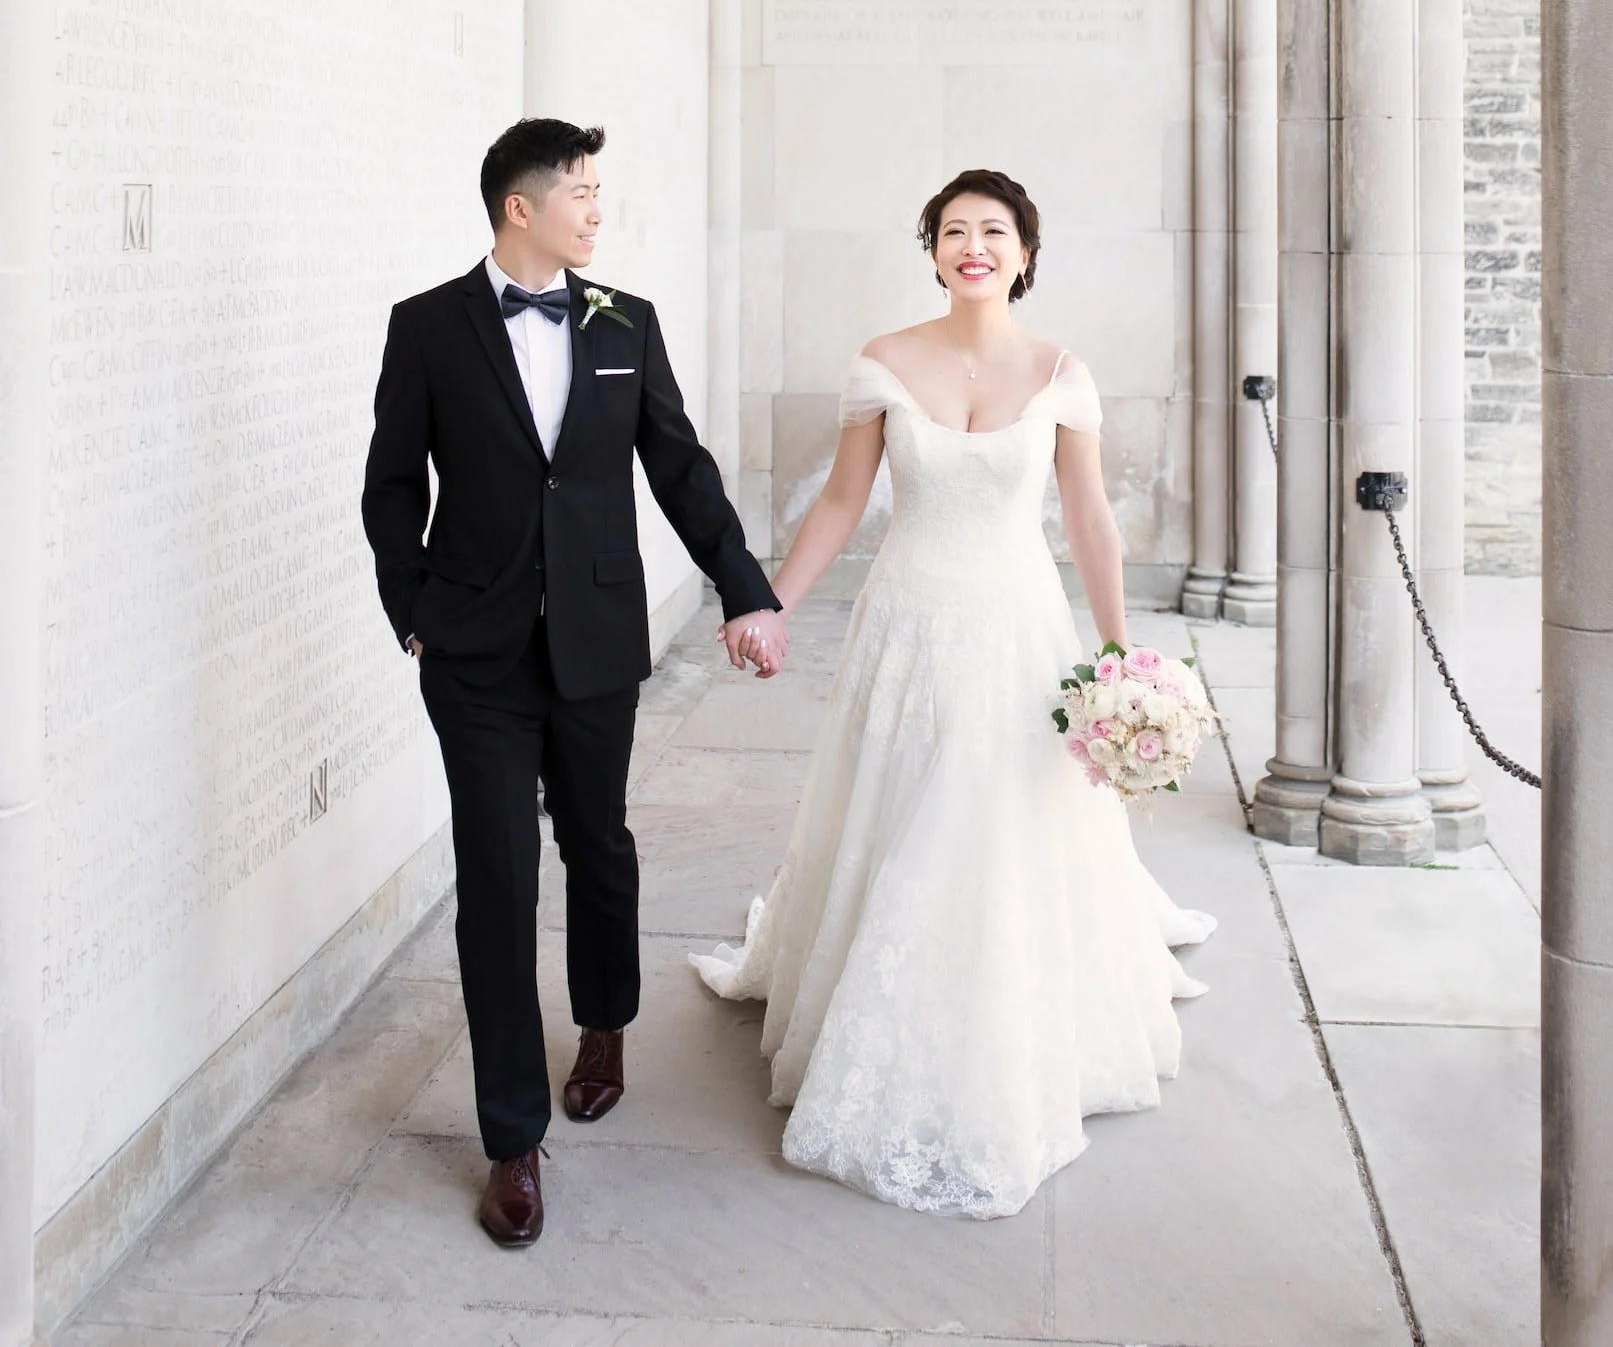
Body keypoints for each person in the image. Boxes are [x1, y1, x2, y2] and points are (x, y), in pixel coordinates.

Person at [691, 168, 1214, 1219]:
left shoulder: (1061, 372)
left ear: (1024, 251)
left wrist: (1118, 656)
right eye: (953, 230)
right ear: (930, 249)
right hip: (908, 622)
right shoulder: (883, 363)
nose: (973, 245)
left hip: (1017, 624)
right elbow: (843, 501)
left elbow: (1089, 523)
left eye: (994, 230)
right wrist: (772, 602)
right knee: (902, 804)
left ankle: (1003, 1024)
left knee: (997, 817)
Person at [363, 118, 787, 1248]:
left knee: (596, 842)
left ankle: (601, 1024)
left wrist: (745, 590)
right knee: (495, 879)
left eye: (599, 192)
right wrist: (410, 606)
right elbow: (391, 481)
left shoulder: (623, 322)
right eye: (583, 192)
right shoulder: (428, 328)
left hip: (596, 640)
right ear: (521, 205)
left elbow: (681, 470)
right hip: (473, 653)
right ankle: (510, 1136)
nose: (598, 210)